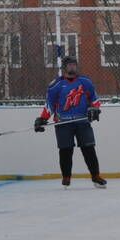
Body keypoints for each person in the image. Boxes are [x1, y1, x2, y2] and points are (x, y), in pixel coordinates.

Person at [34, 56, 105, 188]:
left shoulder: (85, 82)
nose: (73, 67)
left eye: (74, 65)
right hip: (63, 123)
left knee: (89, 149)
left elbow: (95, 100)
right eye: (70, 65)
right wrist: (42, 119)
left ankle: (96, 176)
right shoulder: (56, 85)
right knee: (65, 150)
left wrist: (95, 110)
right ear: (64, 68)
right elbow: (49, 105)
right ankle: (66, 177)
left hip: (82, 122)